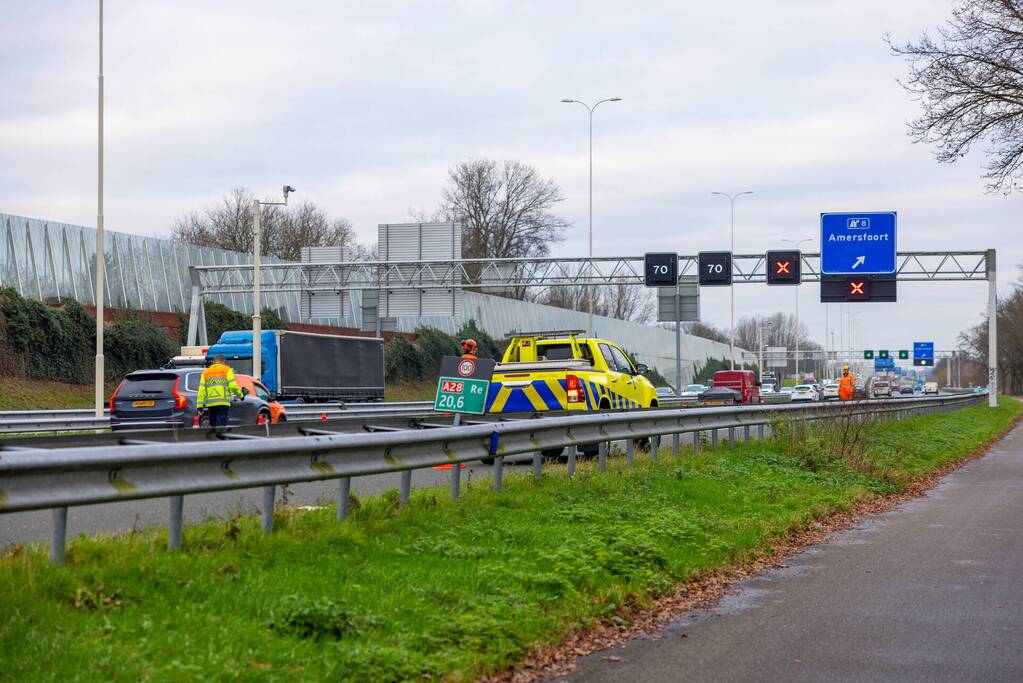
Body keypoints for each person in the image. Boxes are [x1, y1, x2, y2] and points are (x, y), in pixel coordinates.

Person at [196, 355, 243, 429]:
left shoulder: (205, 373)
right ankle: (220, 439)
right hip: (223, 404)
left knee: (213, 427)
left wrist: (199, 406)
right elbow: (233, 386)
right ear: (223, 362)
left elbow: (201, 390)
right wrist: (241, 395)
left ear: (213, 362)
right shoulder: (227, 370)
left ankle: (214, 439)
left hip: (211, 405)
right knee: (221, 427)